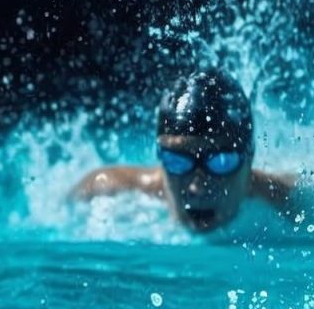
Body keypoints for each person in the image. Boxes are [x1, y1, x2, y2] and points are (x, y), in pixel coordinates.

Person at [70, 69, 298, 233]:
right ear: (159, 155)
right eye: (177, 161)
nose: (197, 187)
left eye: (220, 162)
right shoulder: (103, 190)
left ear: (250, 157)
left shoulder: (295, 202)